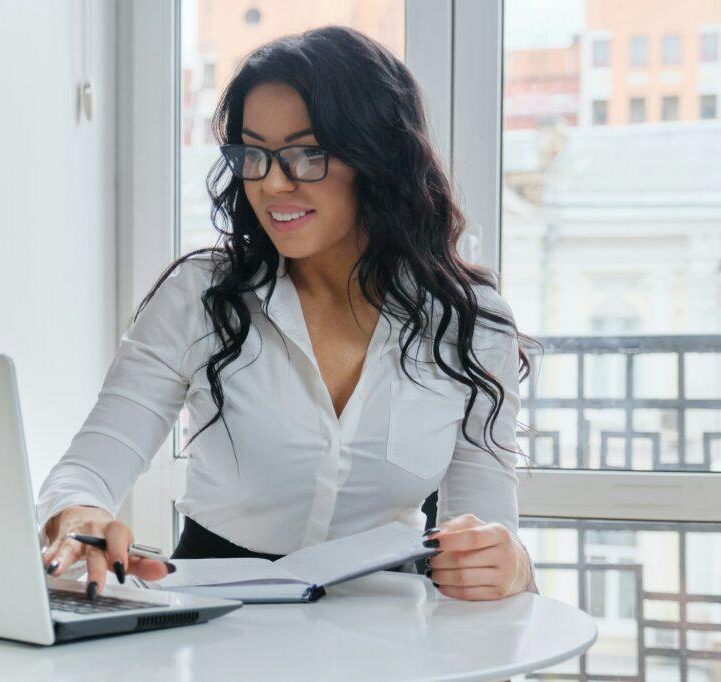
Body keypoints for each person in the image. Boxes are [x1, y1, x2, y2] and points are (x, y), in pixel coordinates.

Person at [38, 25, 541, 602]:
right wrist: (80, 515)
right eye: (254, 154)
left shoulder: (471, 323)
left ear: (376, 159)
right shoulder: (199, 296)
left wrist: (510, 563)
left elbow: (486, 526)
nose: (272, 183)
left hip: (394, 628)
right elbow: (86, 469)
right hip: (218, 617)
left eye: (307, 155)